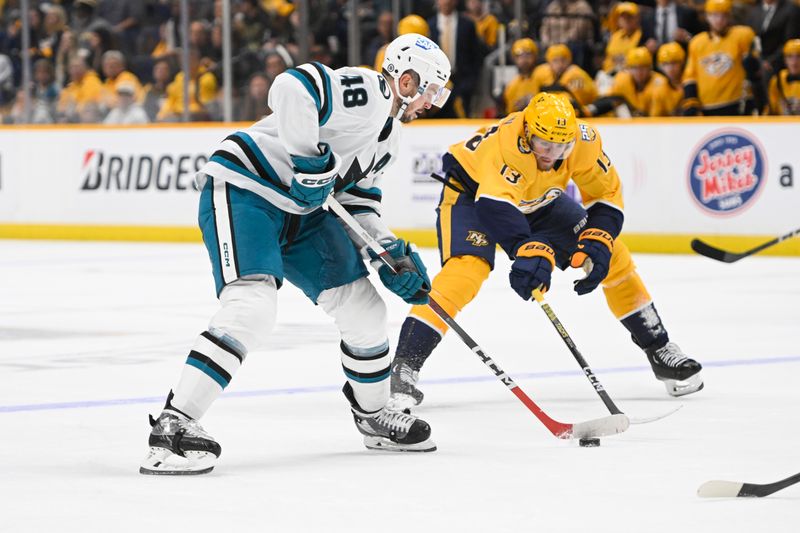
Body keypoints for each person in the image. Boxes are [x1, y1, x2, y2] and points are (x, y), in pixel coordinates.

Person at [140, 33, 453, 475]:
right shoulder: (370, 91)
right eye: (432, 91)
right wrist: (307, 161)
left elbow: (359, 203)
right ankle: (173, 425)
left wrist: (388, 249)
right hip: (248, 189)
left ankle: (374, 416)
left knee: (364, 308)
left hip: (302, 213)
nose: (433, 102)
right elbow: (291, 88)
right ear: (406, 80)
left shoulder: (390, 138)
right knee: (251, 307)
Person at [388, 92, 704, 411]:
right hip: (472, 196)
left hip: (537, 199)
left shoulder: (583, 139)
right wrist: (528, 249)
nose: (552, 155)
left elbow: (606, 193)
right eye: (544, 146)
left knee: (613, 257)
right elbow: (496, 206)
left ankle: (660, 349)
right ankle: (404, 367)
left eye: (561, 148)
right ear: (528, 134)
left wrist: (598, 236)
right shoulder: (508, 146)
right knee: (466, 271)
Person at [682, 0, 764, 115]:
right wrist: (691, 102)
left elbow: (757, 66)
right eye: (714, 15)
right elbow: (690, 76)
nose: (719, 20)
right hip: (708, 107)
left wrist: (753, 65)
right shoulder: (697, 42)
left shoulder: (743, 35)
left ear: (729, 16)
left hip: (738, 104)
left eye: (723, 15)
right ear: (706, 16)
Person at [502, 38, 538, 115]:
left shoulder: (543, 76)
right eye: (520, 56)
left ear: (535, 56)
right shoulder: (512, 85)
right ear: (514, 59)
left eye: (528, 55)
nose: (524, 59)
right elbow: (510, 114)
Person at [767, 39, 800, 114]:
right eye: (790, 56)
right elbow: (771, 110)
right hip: (783, 124)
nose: (794, 62)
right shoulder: (778, 80)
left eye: (799, 56)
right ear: (785, 60)